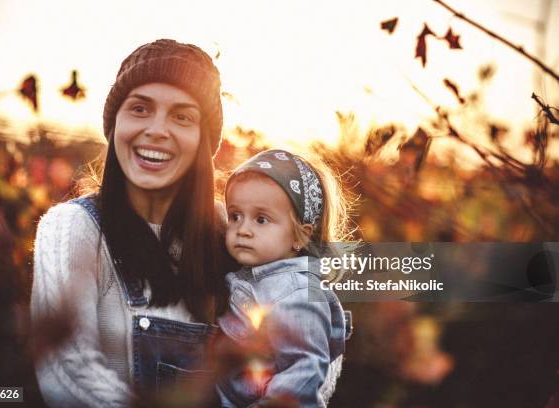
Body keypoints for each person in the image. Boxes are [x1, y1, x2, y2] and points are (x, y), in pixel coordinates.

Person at [30, 39, 234, 407]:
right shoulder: (74, 228)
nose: (157, 129)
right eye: (140, 109)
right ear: (114, 124)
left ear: (204, 140)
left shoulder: (231, 229)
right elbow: (66, 371)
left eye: (182, 116)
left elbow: (305, 325)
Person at [216, 149, 352, 408]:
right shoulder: (251, 275)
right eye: (235, 216)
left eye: (261, 219)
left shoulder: (296, 293)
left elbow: (302, 373)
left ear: (300, 236)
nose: (243, 230)